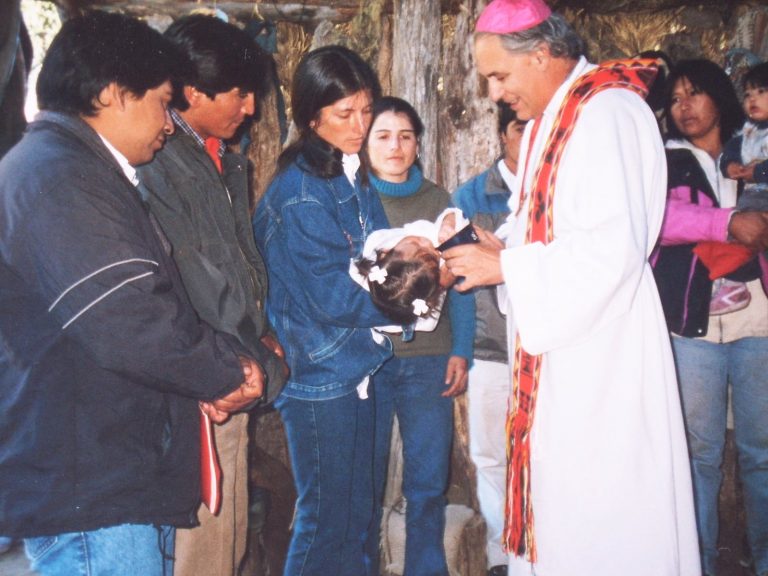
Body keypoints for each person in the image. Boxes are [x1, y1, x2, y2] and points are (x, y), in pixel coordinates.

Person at [0, 12, 265, 576]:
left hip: (108, 476)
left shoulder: (74, 170)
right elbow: (130, 322)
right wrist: (226, 370)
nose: (169, 123)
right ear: (114, 94)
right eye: (162, 101)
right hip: (90, 488)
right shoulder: (58, 179)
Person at [442, 1, 701, 574]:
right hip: (563, 358)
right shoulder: (551, 121)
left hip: (604, 364)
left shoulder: (606, 111)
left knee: (604, 521)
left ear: (540, 55)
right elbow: (539, 227)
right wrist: (478, 250)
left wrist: (508, 268)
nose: (493, 93)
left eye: (499, 75)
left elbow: (612, 252)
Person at [136, 15, 288, 576]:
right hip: (209, 380)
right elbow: (192, 280)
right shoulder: (159, 164)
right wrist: (234, 364)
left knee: (231, 531)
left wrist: (260, 339)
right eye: (240, 94)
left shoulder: (221, 156)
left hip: (235, 367)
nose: (249, 108)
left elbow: (239, 264)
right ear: (193, 92)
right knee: (206, 538)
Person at [252, 45, 393, 576]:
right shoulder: (301, 193)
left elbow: (380, 248)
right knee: (325, 521)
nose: (360, 125)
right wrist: (415, 295)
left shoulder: (348, 172)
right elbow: (335, 297)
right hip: (319, 374)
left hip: (354, 363)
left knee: (357, 517)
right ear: (312, 117)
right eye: (344, 114)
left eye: (366, 110)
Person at [653, 58, 768, 576]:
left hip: (760, 320)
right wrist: (729, 222)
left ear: (719, 97)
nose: (684, 107)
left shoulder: (758, 148)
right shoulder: (661, 158)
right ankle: (696, 563)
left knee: (761, 452)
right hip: (690, 321)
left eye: (695, 94)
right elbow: (659, 218)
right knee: (697, 454)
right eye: (676, 98)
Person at [361, 96, 473, 576]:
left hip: (429, 358)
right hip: (369, 359)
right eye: (384, 136)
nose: (395, 146)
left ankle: (425, 568)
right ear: (366, 142)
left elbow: (463, 280)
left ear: (418, 143)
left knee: (427, 480)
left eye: (406, 136)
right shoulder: (355, 198)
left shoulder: (439, 202)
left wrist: (461, 351)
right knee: (364, 477)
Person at [452, 101, 525, 576]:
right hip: (492, 349)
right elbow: (456, 271)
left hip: (544, 349)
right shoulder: (474, 194)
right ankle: (502, 553)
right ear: (502, 134)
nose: (529, 136)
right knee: (490, 454)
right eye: (520, 128)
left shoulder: (555, 189)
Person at [353, 207, 468, 326]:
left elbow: (456, 214)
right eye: (434, 253)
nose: (426, 242)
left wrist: (448, 222)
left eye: (416, 243)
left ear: (385, 252)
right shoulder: (442, 262)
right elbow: (465, 232)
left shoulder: (378, 247)